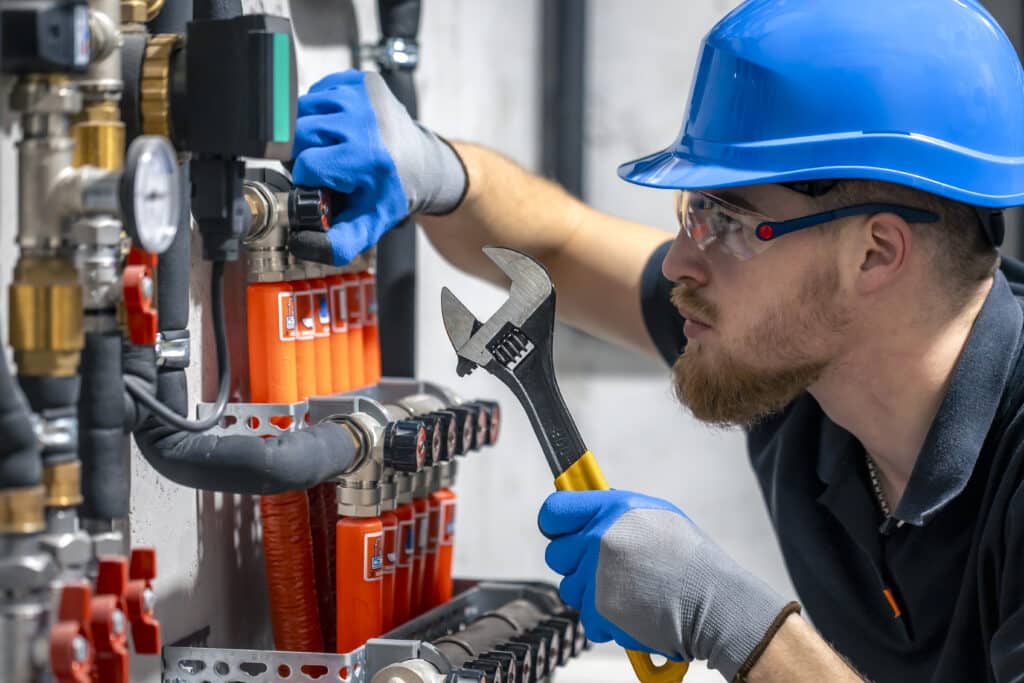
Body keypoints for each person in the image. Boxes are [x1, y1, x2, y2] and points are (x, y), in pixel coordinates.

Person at [291, 1, 1024, 680]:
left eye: (727, 221)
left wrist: (735, 622)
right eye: (691, 211)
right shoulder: (800, 353)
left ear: (874, 254)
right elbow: (559, 245)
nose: (677, 262)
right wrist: (441, 171)